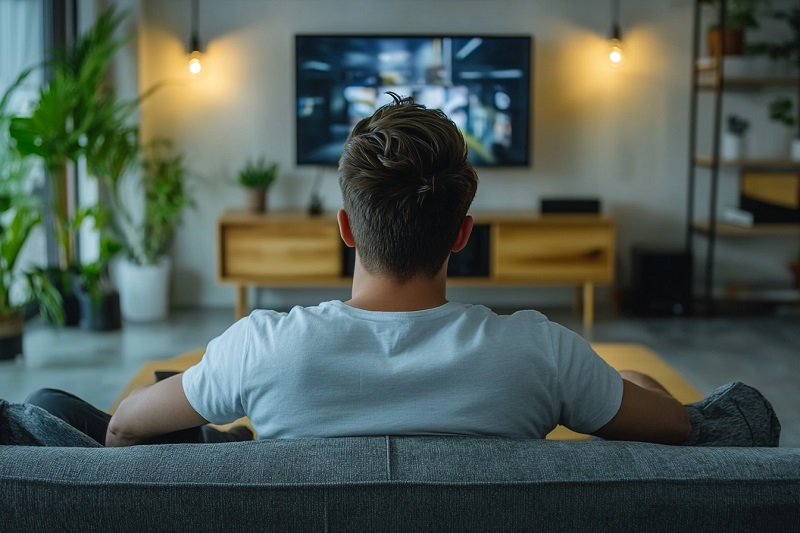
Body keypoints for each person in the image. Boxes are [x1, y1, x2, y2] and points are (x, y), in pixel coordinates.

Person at [29, 93, 692, 447]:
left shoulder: (263, 345)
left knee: (49, 406)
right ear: (462, 234)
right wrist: (630, 378)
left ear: (344, 228)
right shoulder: (544, 351)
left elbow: (122, 426)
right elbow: (680, 426)